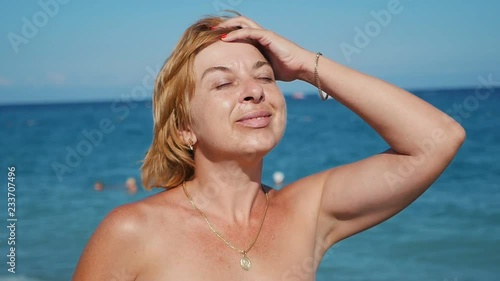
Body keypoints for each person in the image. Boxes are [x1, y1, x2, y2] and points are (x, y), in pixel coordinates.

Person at [73, 12, 465, 280]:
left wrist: (305, 65)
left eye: (265, 77)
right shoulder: (131, 231)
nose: (253, 92)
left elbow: (436, 139)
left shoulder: (306, 213)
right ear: (183, 129)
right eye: (223, 83)